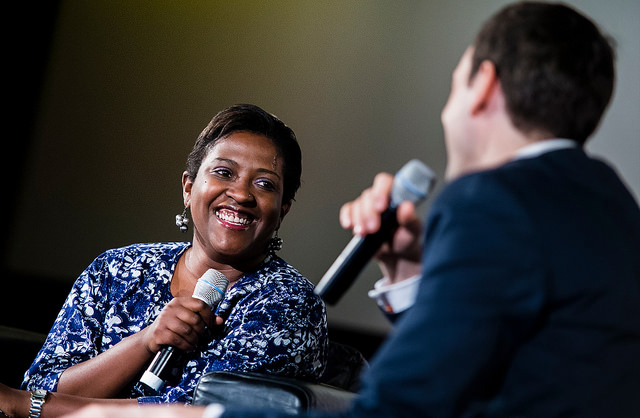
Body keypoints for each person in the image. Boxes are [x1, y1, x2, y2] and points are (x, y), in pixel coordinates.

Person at [58, 1, 640, 417]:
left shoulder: (489, 199)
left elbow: (412, 395)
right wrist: (409, 273)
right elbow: (496, 353)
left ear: (482, 86)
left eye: (455, 83)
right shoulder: (615, 205)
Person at [0, 104, 328, 417]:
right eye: (224, 172)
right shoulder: (116, 270)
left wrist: (24, 405)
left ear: (282, 210)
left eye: (264, 184)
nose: (241, 194)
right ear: (188, 188)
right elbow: (42, 385)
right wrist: (145, 341)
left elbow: (196, 413)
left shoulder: (288, 303)